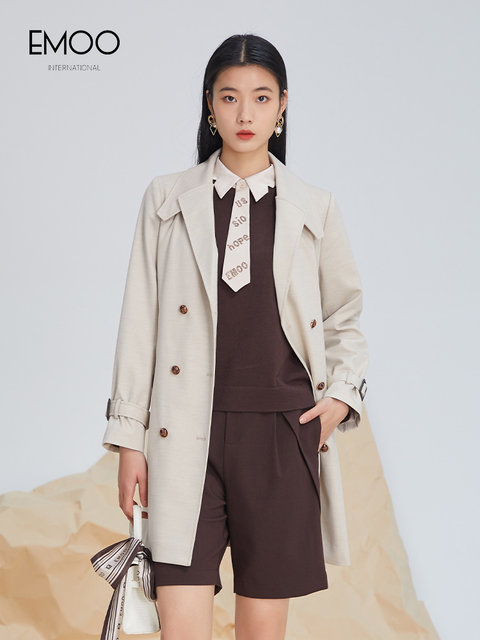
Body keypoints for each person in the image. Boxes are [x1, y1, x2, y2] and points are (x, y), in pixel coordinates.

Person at [102, 33, 368, 640]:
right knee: (180, 629)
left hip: (282, 435)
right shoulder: (167, 199)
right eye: (229, 97)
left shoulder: (315, 207)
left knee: (262, 631)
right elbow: (138, 320)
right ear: (210, 105)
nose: (245, 113)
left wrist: (342, 397)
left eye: (261, 97)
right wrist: (129, 439)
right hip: (182, 432)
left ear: (282, 107)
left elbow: (345, 314)